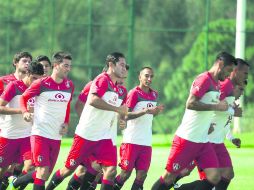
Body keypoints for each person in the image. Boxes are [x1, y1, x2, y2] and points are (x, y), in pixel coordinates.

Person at [151, 51, 236, 190]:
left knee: (214, 177)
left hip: (202, 141)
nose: (229, 75)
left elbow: (210, 109)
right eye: (228, 70)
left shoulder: (216, 84)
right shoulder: (204, 79)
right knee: (169, 177)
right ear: (220, 64)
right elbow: (190, 103)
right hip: (187, 139)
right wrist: (216, 106)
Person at [46, 52, 128, 190]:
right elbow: (92, 100)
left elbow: (120, 111)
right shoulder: (102, 79)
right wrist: (117, 109)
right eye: (121, 65)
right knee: (68, 170)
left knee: (110, 171)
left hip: (105, 137)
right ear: (111, 65)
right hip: (87, 135)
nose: (124, 68)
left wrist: (121, 118)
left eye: (125, 66)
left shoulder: (117, 87)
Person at [174, 59, 249, 190]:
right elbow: (214, 107)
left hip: (217, 142)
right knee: (191, 173)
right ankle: (176, 186)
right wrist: (231, 111)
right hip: (207, 139)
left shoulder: (230, 93)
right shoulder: (225, 86)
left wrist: (231, 137)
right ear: (235, 72)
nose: (246, 77)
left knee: (227, 174)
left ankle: (179, 186)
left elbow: (224, 123)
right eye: (245, 73)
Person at [12, 51, 74, 190]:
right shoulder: (41, 83)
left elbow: (67, 105)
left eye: (69, 66)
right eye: (65, 65)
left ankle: (16, 183)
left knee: (44, 174)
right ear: (55, 65)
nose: (68, 69)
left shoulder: (69, 85)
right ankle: (16, 183)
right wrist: (25, 112)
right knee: (42, 171)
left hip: (56, 136)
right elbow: (23, 97)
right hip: (40, 134)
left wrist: (66, 123)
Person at [113, 67, 163, 190]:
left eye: (151, 76)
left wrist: (155, 112)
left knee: (142, 175)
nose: (149, 79)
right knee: (125, 174)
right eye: (146, 76)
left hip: (146, 142)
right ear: (140, 77)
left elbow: (151, 114)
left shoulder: (154, 94)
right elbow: (125, 115)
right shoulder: (134, 93)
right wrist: (146, 110)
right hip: (132, 140)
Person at [0, 61, 44, 189]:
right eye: (34, 78)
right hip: (9, 135)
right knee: (2, 170)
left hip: (28, 136)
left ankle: (16, 183)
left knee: (31, 166)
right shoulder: (14, 86)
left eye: (39, 79)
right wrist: (22, 111)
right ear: (27, 73)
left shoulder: (39, 89)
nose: (36, 82)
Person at [0, 51, 32, 189]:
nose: (27, 64)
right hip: (5, 129)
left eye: (30, 61)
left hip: (26, 132)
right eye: (24, 61)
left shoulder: (33, 83)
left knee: (23, 165)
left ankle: (14, 183)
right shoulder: (4, 81)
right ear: (15, 63)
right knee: (5, 167)